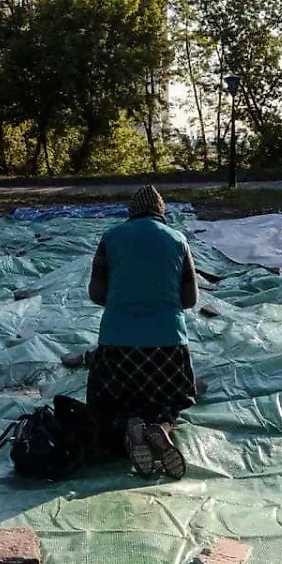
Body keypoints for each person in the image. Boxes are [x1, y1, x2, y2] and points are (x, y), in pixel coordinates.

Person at [87, 186, 199, 480]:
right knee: (171, 401)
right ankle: (162, 427)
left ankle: (132, 424)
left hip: (117, 347)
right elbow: (190, 299)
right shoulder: (178, 240)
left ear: (131, 212)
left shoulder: (111, 237)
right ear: (161, 212)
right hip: (168, 347)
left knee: (111, 403)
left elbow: (96, 293)